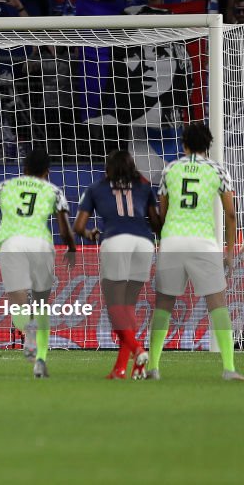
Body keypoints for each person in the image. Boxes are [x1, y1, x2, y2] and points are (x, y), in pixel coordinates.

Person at [0, 147, 77, 379]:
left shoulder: (7, 186)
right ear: (47, 171)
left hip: (12, 245)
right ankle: (40, 360)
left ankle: (28, 335)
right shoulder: (53, 190)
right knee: (41, 305)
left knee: (19, 304)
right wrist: (71, 248)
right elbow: (65, 228)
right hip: (40, 246)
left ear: (24, 168)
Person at [146, 122, 243, 381]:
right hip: (203, 243)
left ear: (184, 144)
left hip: (173, 241)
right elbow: (231, 214)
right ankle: (229, 369)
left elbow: (163, 214)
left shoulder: (170, 170)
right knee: (218, 305)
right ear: (208, 145)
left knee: (164, 306)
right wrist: (230, 251)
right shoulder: (218, 171)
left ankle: (153, 367)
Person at [73, 150, 160, 380]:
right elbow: (157, 222)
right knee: (128, 306)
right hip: (144, 244)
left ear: (108, 169)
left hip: (115, 241)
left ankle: (137, 348)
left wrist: (91, 234)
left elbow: (78, 226)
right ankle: (121, 369)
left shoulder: (96, 188)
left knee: (115, 308)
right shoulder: (144, 187)